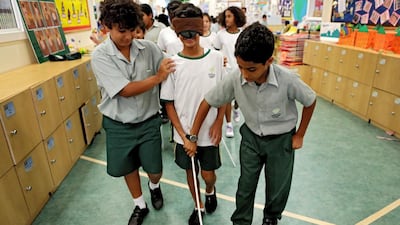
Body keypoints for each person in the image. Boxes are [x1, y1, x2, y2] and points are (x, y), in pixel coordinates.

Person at [188, 23, 317, 225]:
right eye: (240, 67)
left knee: (278, 185)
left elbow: (310, 101)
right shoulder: (235, 78)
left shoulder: (287, 79)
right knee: (246, 184)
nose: (245, 74)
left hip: (281, 140)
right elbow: (207, 102)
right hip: (251, 139)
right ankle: (241, 220)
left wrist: (299, 134)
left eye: (251, 69)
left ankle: (271, 217)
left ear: (268, 61)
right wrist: (193, 135)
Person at [90, 0, 176, 225]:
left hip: (148, 122)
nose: (128, 36)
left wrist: (208, 61)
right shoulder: (100, 55)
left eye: (131, 30)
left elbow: (172, 64)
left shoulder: (149, 49)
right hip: (119, 124)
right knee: (128, 168)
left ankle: (154, 186)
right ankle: (140, 205)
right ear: (107, 26)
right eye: (121, 31)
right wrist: (157, 78)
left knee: (154, 168)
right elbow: (124, 91)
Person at [160, 3, 225, 225]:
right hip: (183, 133)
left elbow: (223, 95)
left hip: (209, 132)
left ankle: (210, 189)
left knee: (208, 173)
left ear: (201, 30)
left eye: (193, 32)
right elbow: (169, 104)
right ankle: (198, 206)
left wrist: (219, 122)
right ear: (177, 33)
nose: (189, 37)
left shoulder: (216, 58)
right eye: (183, 33)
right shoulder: (173, 64)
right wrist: (183, 135)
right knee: (190, 170)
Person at [213, 6, 246, 138]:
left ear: (236, 17)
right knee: (227, 98)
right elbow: (215, 50)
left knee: (239, 96)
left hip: (240, 70)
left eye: (229, 16)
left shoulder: (242, 34)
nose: (226, 19)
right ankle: (228, 124)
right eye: (225, 16)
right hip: (226, 71)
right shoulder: (220, 35)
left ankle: (236, 108)